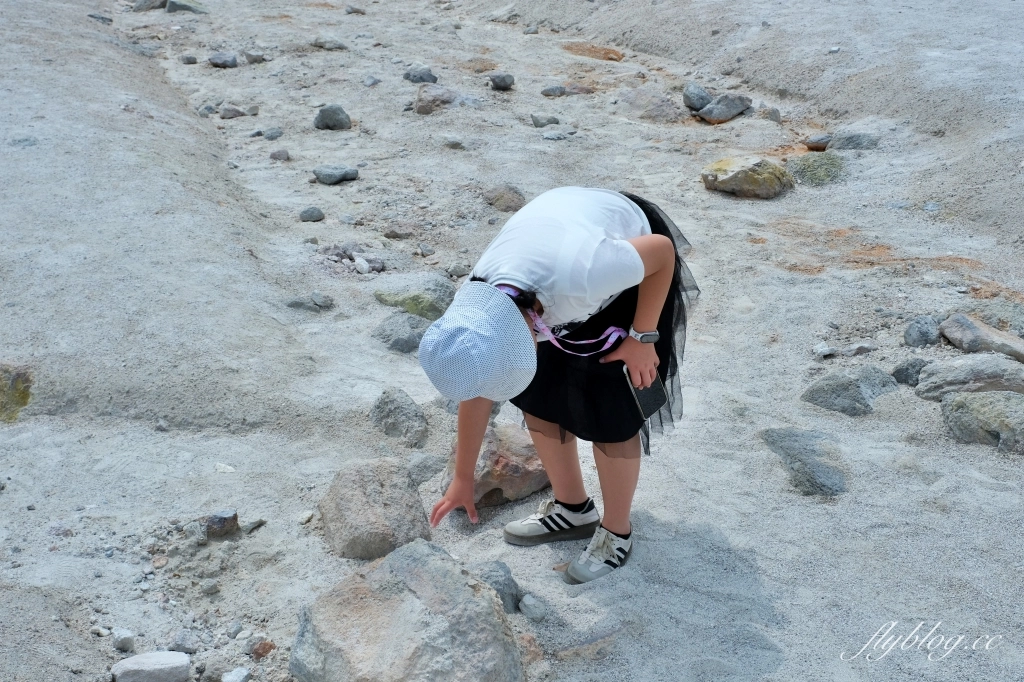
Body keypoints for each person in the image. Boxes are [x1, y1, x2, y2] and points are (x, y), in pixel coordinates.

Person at [418, 186, 699, 584]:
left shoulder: (588, 274)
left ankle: (617, 531)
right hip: (545, 279)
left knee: (610, 412)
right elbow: (477, 387)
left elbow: (661, 252)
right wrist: (463, 477)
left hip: (628, 270)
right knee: (540, 395)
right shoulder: (478, 309)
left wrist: (642, 337)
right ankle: (573, 509)